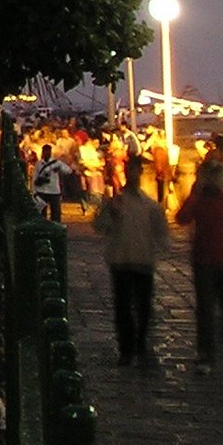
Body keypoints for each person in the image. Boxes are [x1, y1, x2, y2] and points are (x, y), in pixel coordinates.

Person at [92, 155, 169, 364]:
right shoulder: (116, 201)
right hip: (121, 259)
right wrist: (110, 212)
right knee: (123, 306)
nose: (133, 174)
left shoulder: (150, 205)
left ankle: (140, 342)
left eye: (136, 170)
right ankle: (127, 347)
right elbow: (100, 226)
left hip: (142, 259)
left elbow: (162, 233)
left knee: (143, 307)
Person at [177, 168, 223, 376]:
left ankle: (221, 349)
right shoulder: (205, 201)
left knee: (220, 308)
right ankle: (217, 350)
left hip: (215, 260)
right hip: (213, 260)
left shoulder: (217, 201)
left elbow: (182, 218)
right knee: (215, 308)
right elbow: (183, 218)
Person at [32, 146, 75, 222]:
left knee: (55, 214)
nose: (45, 153)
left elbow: (69, 171)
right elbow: (34, 177)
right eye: (44, 151)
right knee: (41, 214)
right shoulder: (39, 164)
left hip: (54, 191)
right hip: (42, 191)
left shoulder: (56, 163)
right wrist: (34, 191)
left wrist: (59, 169)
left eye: (47, 151)